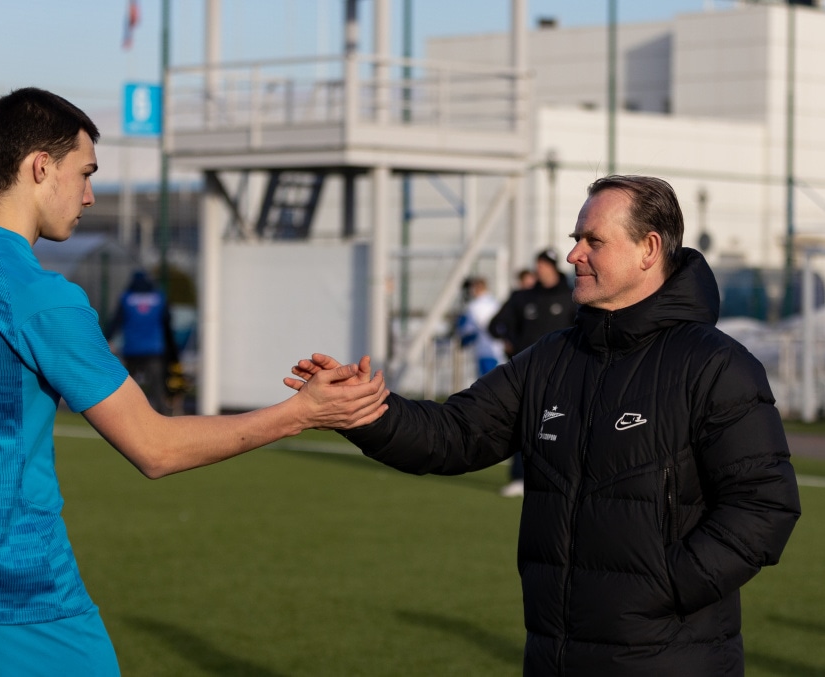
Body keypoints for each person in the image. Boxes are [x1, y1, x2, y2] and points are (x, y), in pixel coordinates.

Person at [0, 87, 389, 677]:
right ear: (39, 167)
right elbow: (156, 448)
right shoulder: (40, 295)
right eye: (85, 173)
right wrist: (301, 413)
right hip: (23, 602)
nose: (90, 195)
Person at [287, 175, 801, 677]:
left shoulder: (714, 365)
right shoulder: (551, 359)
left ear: (648, 249)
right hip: (553, 654)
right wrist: (362, 409)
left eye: (592, 241)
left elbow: (765, 505)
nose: (574, 254)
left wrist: (663, 588)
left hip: (670, 658)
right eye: (576, 239)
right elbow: (453, 434)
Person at [488, 248, 577, 497]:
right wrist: (510, 343)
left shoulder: (571, 296)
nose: (542, 270)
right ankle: (519, 477)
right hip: (526, 373)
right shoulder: (523, 297)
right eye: (539, 265)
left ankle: (559, 477)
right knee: (524, 423)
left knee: (559, 425)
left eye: (546, 265)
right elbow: (496, 325)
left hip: (562, 374)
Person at [105, 269, 177, 413]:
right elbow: (167, 323)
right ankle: (163, 415)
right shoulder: (159, 298)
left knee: (127, 385)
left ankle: (123, 412)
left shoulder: (126, 298)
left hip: (132, 348)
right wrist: (172, 348)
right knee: (157, 387)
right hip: (154, 349)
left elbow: (116, 321)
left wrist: (107, 338)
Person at [456, 276, 505, 377]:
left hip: (484, 349)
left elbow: (468, 329)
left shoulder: (474, 306)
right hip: (497, 349)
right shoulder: (496, 303)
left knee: (485, 382)